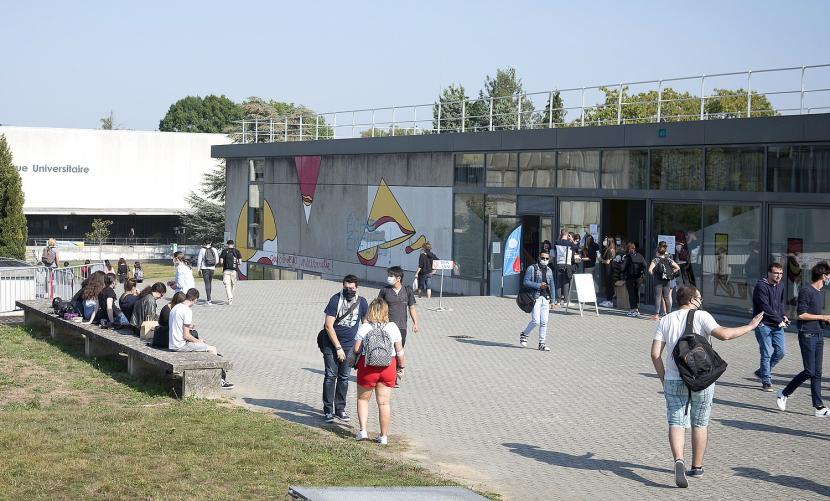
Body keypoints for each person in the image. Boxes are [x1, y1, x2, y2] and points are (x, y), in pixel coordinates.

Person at [650, 285, 763, 487]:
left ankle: (678, 460)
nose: (701, 301)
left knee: (676, 421)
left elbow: (655, 354)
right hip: (701, 379)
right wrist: (751, 326)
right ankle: (697, 467)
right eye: (699, 297)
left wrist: (664, 379)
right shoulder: (702, 316)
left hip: (675, 379)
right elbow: (725, 335)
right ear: (692, 299)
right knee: (700, 423)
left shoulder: (665, 320)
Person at [776, 262, 830, 417]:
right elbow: (801, 314)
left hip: (819, 334)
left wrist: (824, 320)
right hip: (807, 334)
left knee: (817, 373)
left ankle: (819, 407)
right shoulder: (807, 290)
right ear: (823, 276)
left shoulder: (820, 293)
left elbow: (813, 315)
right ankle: (784, 393)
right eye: (829, 275)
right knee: (809, 371)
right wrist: (823, 316)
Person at [353, 298, 405, 445]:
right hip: (388, 367)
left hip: (368, 367)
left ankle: (363, 431)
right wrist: (401, 368)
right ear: (385, 311)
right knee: (384, 403)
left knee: (363, 399)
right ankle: (383, 436)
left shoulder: (365, 327)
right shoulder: (393, 327)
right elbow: (399, 351)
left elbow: (357, 349)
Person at [321, 275, 368, 423]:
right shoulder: (335, 300)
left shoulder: (362, 302)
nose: (350, 291)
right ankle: (328, 410)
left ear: (357, 288)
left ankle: (340, 409)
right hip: (332, 344)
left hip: (350, 346)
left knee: (344, 378)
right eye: (347, 288)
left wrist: (362, 346)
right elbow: (328, 325)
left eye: (352, 288)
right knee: (330, 376)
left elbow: (365, 324)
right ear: (343, 287)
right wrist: (338, 347)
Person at [168, 288, 234, 389]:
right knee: (212, 349)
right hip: (180, 345)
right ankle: (219, 380)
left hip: (172, 343)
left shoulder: (176, 307)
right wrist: (199, 341)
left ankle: (216, 378)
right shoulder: (187, 310)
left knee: (205, 347)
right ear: (195, 299)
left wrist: (189, 327)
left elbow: (177, 326)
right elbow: (186, 336)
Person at [752, 262, 788, 392]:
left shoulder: (781, 285)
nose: (778, 276)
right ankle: (766, 380)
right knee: (766, 353)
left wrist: (783, 315)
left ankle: (762, 371)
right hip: (763, 324)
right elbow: (764, 307)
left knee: (780, 352)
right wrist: (779, 320)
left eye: (780, 273)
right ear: (769, 273)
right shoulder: (761, 286)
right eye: (776, 273)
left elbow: (780, 303)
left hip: (777, 324)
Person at [520, 249, 555, 352]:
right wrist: (539, 285)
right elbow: (525, 282)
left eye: (547, 258)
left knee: (544, 322)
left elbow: (552, 285)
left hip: (546, 298)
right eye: (543, 258)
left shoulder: (549, 270)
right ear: (539, 258)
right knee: (536, 321)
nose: (545, 260)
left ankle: (541, 344)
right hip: (535, 297)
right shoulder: (532, 268)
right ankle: (524, 334)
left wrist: (553, 300)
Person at [378, 266, 418, 347]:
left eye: (391, 276)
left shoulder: (407, 290)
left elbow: (412, 308)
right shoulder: (384, 290)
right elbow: (378, 307)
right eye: (388, 275)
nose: (388, 278)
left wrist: (415, 323)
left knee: (399, 351)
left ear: (398, 278)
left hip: (401, 327)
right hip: (386, 326)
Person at [648, 241, 681, 320]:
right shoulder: (669, 259)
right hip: (667, 280)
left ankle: (656, 315)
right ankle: (669, 313)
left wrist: (654, 274)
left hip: (658, 280)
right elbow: (678, 267)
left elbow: (650, 270)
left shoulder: (656, 260)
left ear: (658, 250)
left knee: (658, 297)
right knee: (666, 297)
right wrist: (670, 273)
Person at [553, 230, 581, 305]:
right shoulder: (569, 243)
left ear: (561, 234)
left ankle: (558, 300)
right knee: (566, 282)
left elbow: (555, 249)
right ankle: (566, 301)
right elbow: (577, 247)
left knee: (558, 282)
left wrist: (560, 236)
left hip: (559, 263)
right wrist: (571, 239)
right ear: (568, 235)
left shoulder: (556, 242)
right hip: (567, 264)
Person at [621, 242, 646, 317]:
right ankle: (637, 310)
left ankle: (632, 310)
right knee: (637, 293)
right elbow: (645, 265)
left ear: (628, 249)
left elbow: (622, 268)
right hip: (639, 278)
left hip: (630, 278)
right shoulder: (640, 255)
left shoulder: (627, 257)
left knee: (631, 294)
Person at [219, 240, 243, 305]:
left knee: (227, 285)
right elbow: (240, 262)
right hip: (234, 271)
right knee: (233, 284)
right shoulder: (237, 251)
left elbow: (221, 261)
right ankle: (231, 296)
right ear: (233, 244)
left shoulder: (224, 251)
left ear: (227, 244)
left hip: (226, 270)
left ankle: (230, 298)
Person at [197, 240, 220, 305]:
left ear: (204, 243)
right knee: (210, 283)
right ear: (211, 243)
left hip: (204, 268)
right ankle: (209, 298)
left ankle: (208, 299)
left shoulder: (202, 250)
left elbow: (199, 261)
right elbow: (217, 260)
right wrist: (213, 264)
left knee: (206, 283)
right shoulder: (214, 249)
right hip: (212, 268)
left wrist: (198, 269)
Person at [600, 237, 616, 307]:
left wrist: (601, 259)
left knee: (609, 285)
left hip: (608, 270)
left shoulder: (609, 250)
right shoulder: (611, 249)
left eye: (605, 240)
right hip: (609, 270)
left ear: (609, 242)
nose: (604, 241)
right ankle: (608, 300)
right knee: (609, 285)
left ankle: (609, 301)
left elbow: (607, 261)